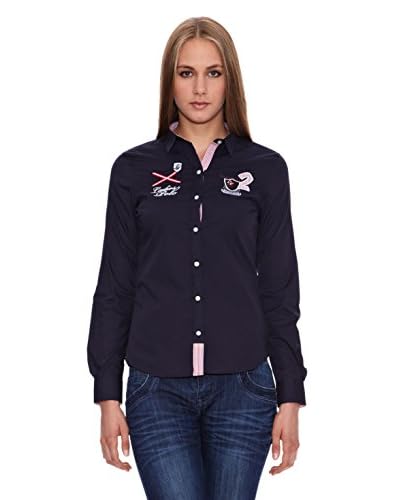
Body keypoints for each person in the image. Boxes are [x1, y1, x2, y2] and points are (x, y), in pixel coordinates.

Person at [87, 16, 308, 500]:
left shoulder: (266, 170)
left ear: (231, 80)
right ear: (170, 81)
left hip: (244, 388)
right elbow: (116, 286)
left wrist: (291, 395)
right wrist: (107, 393)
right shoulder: (133, 170)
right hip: (155, 390)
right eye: (186, 73)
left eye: (213, 73)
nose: (200, 88)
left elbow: (278, 288)